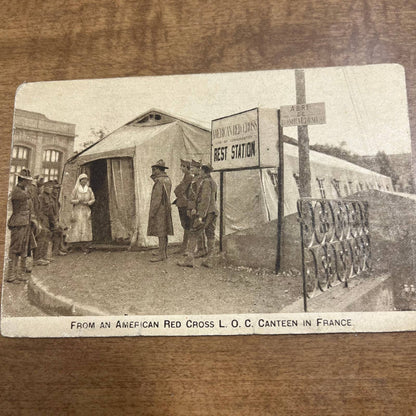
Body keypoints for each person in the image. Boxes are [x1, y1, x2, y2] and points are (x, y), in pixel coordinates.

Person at [178, 163, 218, 268]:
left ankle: (189, 259)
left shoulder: (205, 183)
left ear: (204, 172)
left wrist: (200, 216)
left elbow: (205, 200)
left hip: (205, 213)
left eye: (200, 171)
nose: (199, 172)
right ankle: (210, 260)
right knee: (210, 235)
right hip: (213, 212)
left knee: (194, 233)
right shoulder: (213, 182)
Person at [6, 169, 37, 283]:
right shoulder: (17, 191)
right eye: (27, 181)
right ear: (22, 180)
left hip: (25, 223)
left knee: (23, 249)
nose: (29, 183)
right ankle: (10, 275)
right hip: (18, 223)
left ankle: (19, 274)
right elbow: (29, 195)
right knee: (15, 249)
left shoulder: (23, 189)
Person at [147, 159, 173, 262]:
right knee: (164, 231)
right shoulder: (167, 179)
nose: (153, 171)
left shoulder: (159, 181)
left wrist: (152, 212)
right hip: (165, 208)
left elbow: (157, 199)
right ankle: (163, 252)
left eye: (155, 168)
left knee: (161, 232)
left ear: (159, 169)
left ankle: (162, 254)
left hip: (160, 209)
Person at [67, 173, 95, 253]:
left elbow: (93, 199)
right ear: (80, 181)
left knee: (85, 227)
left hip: (86, 210)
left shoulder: (89, 190)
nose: (84, 182)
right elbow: (71, 200)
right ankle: (73, 245)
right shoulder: (76, 190)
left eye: (86, 180)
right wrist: (77, 201)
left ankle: (85, 246)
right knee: (76, 226)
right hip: (77, 209)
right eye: (83, 180)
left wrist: (89, 202)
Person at [172, 159, 192, 254]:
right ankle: (185, 247)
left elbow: (180, 190)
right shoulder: (186, 177)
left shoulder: (189, 177)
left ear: (186, 167)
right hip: (182, 203)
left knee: (187, 226)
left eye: (182, 166)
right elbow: (177, 190)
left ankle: (186, 247)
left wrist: (178, 189)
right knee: (185, 225)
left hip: (185, 204)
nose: (181, 168)